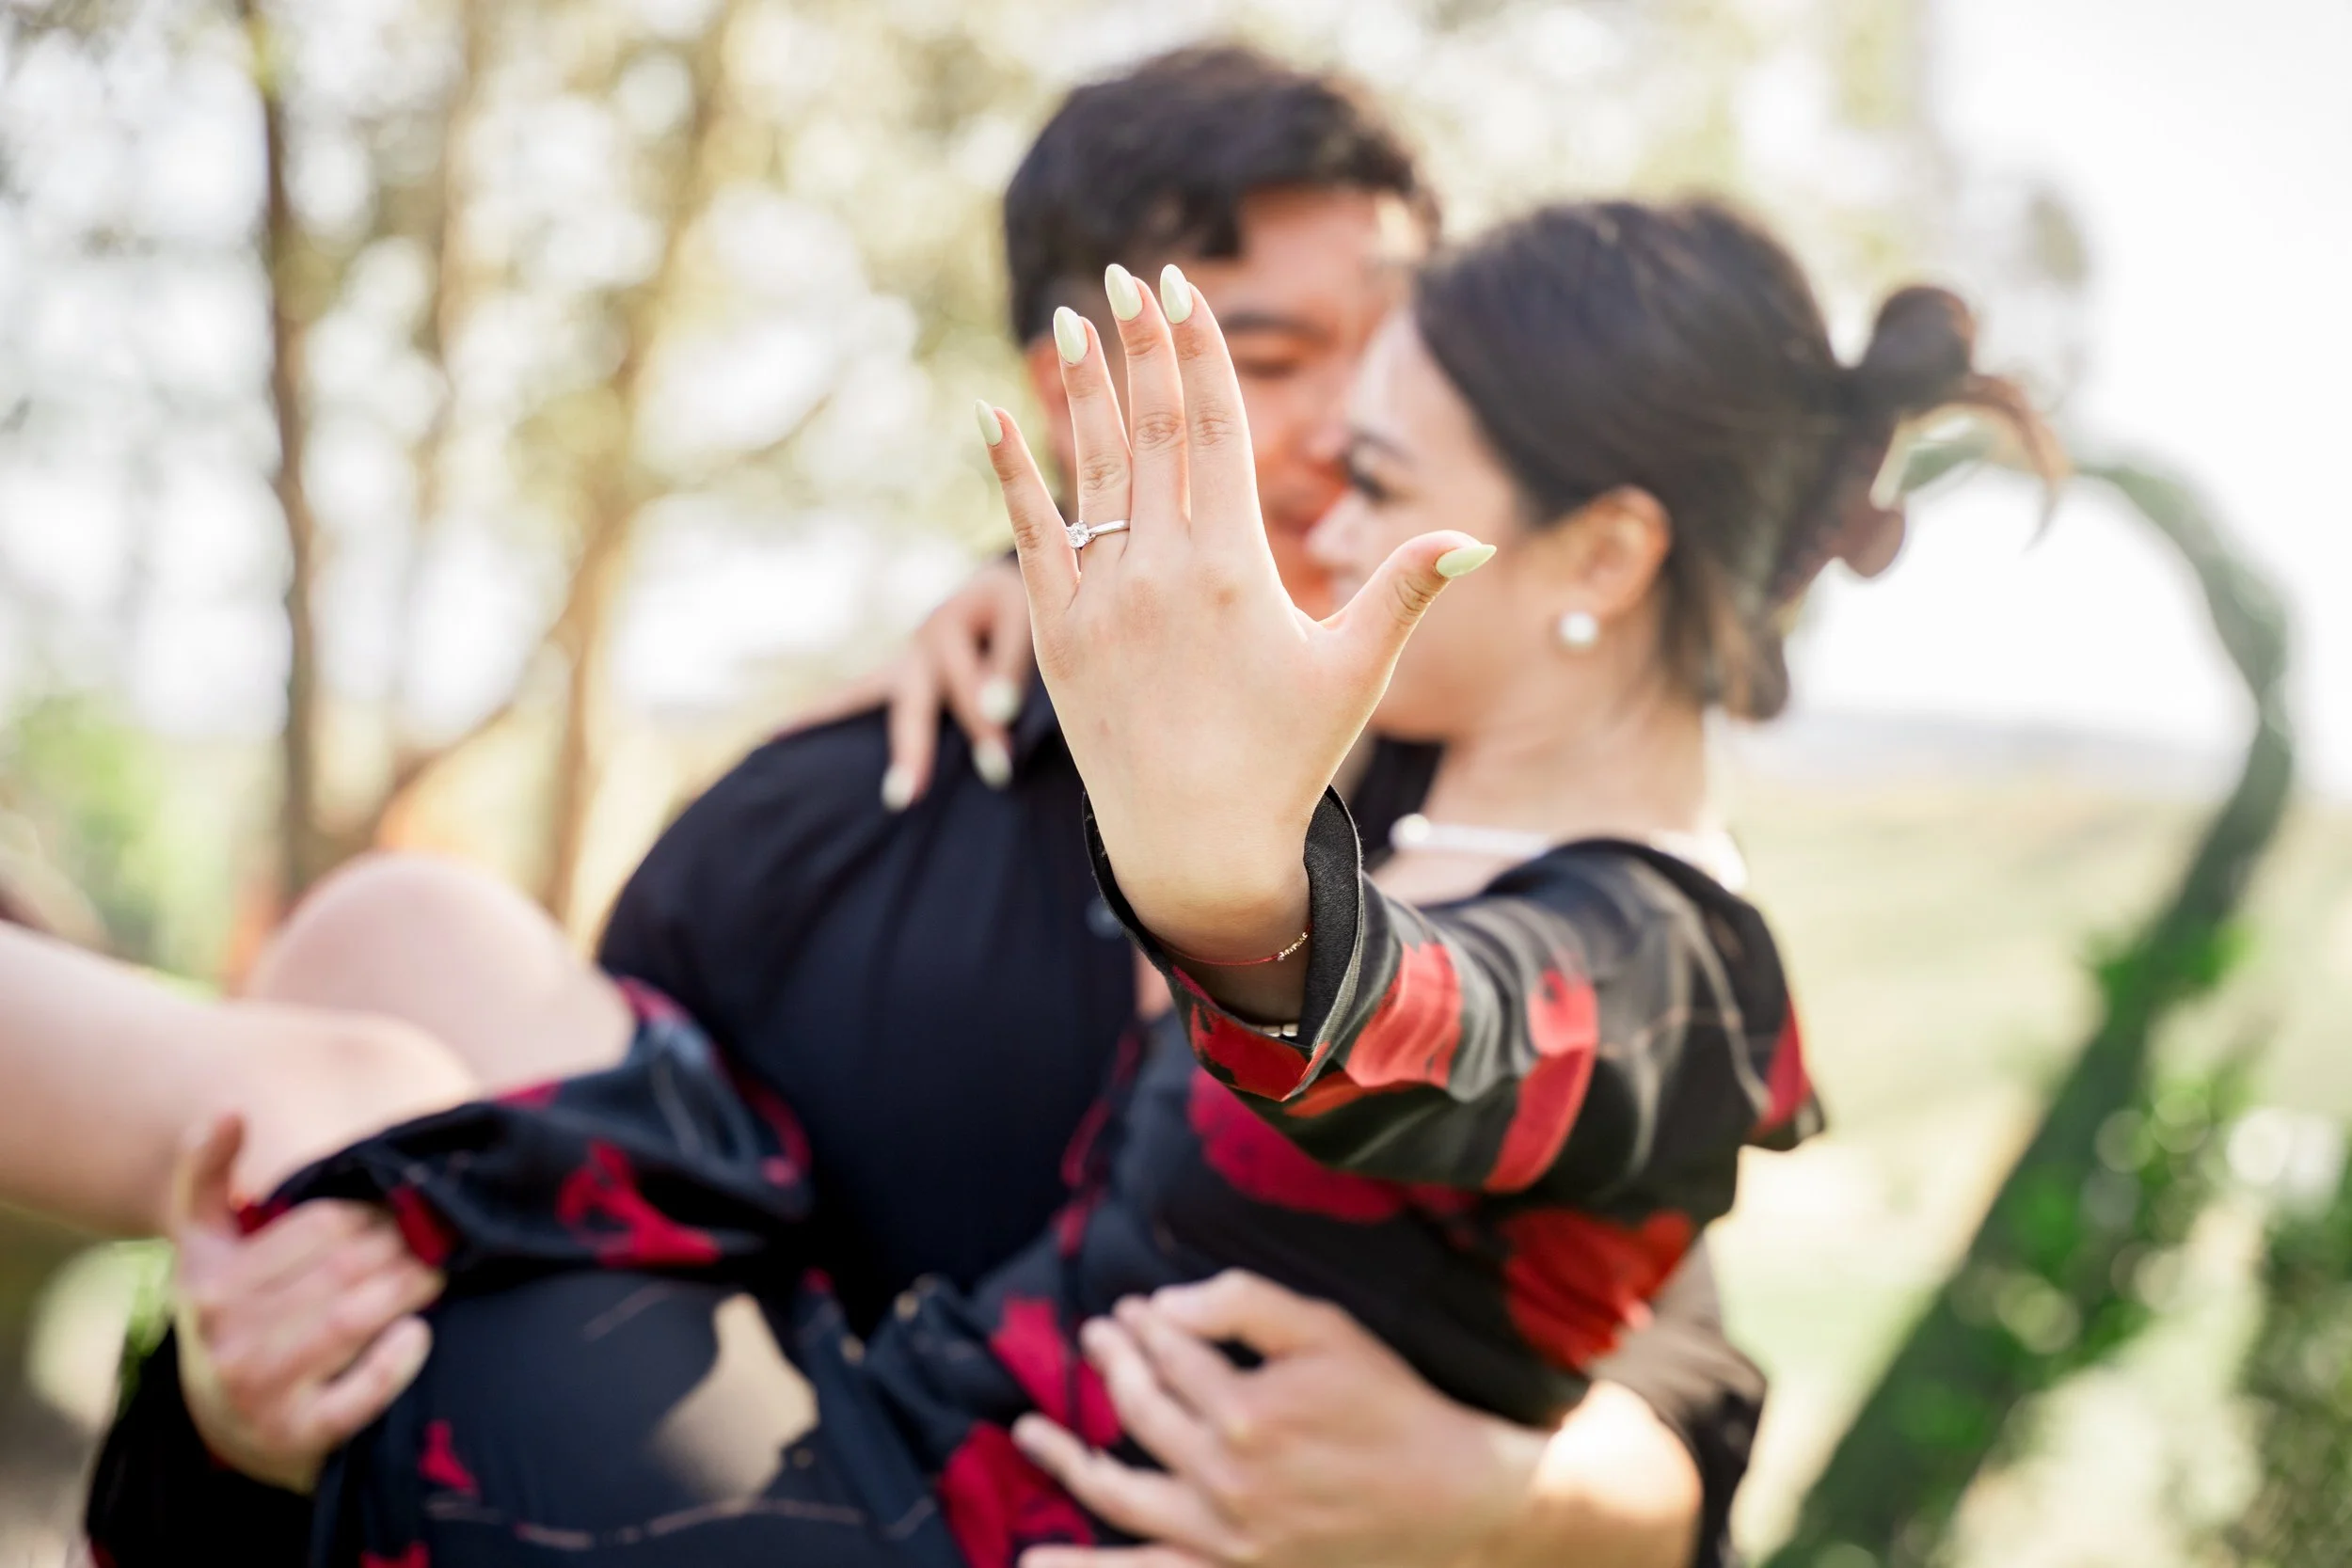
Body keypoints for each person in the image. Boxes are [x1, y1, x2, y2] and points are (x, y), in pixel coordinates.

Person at [0, 190, 2058, 1566]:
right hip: (852, 1409)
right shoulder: (952, 765)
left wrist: (1233, 879)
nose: (1308, 497)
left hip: (883, 1530)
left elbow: (1442, 1039)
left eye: (1382, 474)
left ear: (1601, 557)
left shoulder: (1656, 952)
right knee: (401, 940)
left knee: (331, 1080)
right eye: (1280, 397)